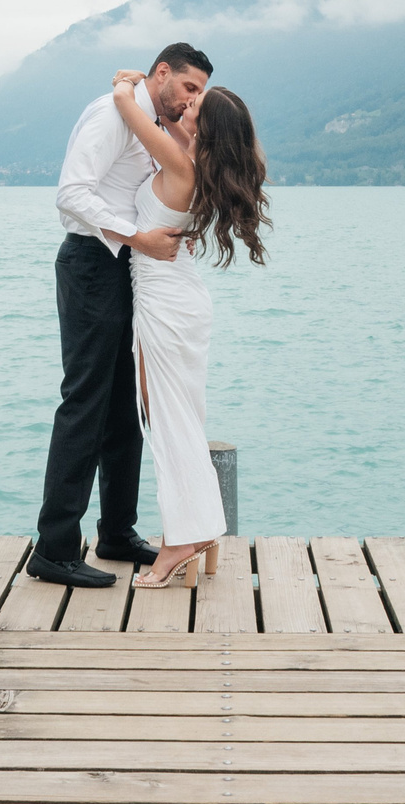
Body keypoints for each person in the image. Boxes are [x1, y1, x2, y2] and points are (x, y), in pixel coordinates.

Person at [31, 43, 212, 587]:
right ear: (163, 73)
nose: (192, 100)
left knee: (123, 407)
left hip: (127, 265)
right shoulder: (112, 113)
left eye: (200, 93)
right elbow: (71, 194)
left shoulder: (150, 117)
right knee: (85, 401)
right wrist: (138, 236)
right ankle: (55, 548)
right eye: (188, 88)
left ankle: (116, 531)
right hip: (92, 262)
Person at [108, 67, 270, 589]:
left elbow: (132, 111)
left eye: (197, 102)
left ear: (206, 126)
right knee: (170, 414)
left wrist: (123, 82)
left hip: (167, 301)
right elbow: (168, 123)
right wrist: (182, 114)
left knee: (169, 418)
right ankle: (195, 526)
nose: (188, 104)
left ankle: (184, 537)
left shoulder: (182, 160)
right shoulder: (196, 156)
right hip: (175, 298)